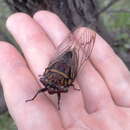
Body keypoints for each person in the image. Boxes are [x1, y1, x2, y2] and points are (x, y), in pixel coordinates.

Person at [0, 11, 130, 130]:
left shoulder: (57, 82)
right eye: (51, 86)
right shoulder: (59, 84)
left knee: (75, 65)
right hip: (60, 64)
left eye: (52, 87)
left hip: (68, 64)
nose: (51, 88)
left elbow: (55, 79)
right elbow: (54, 80)